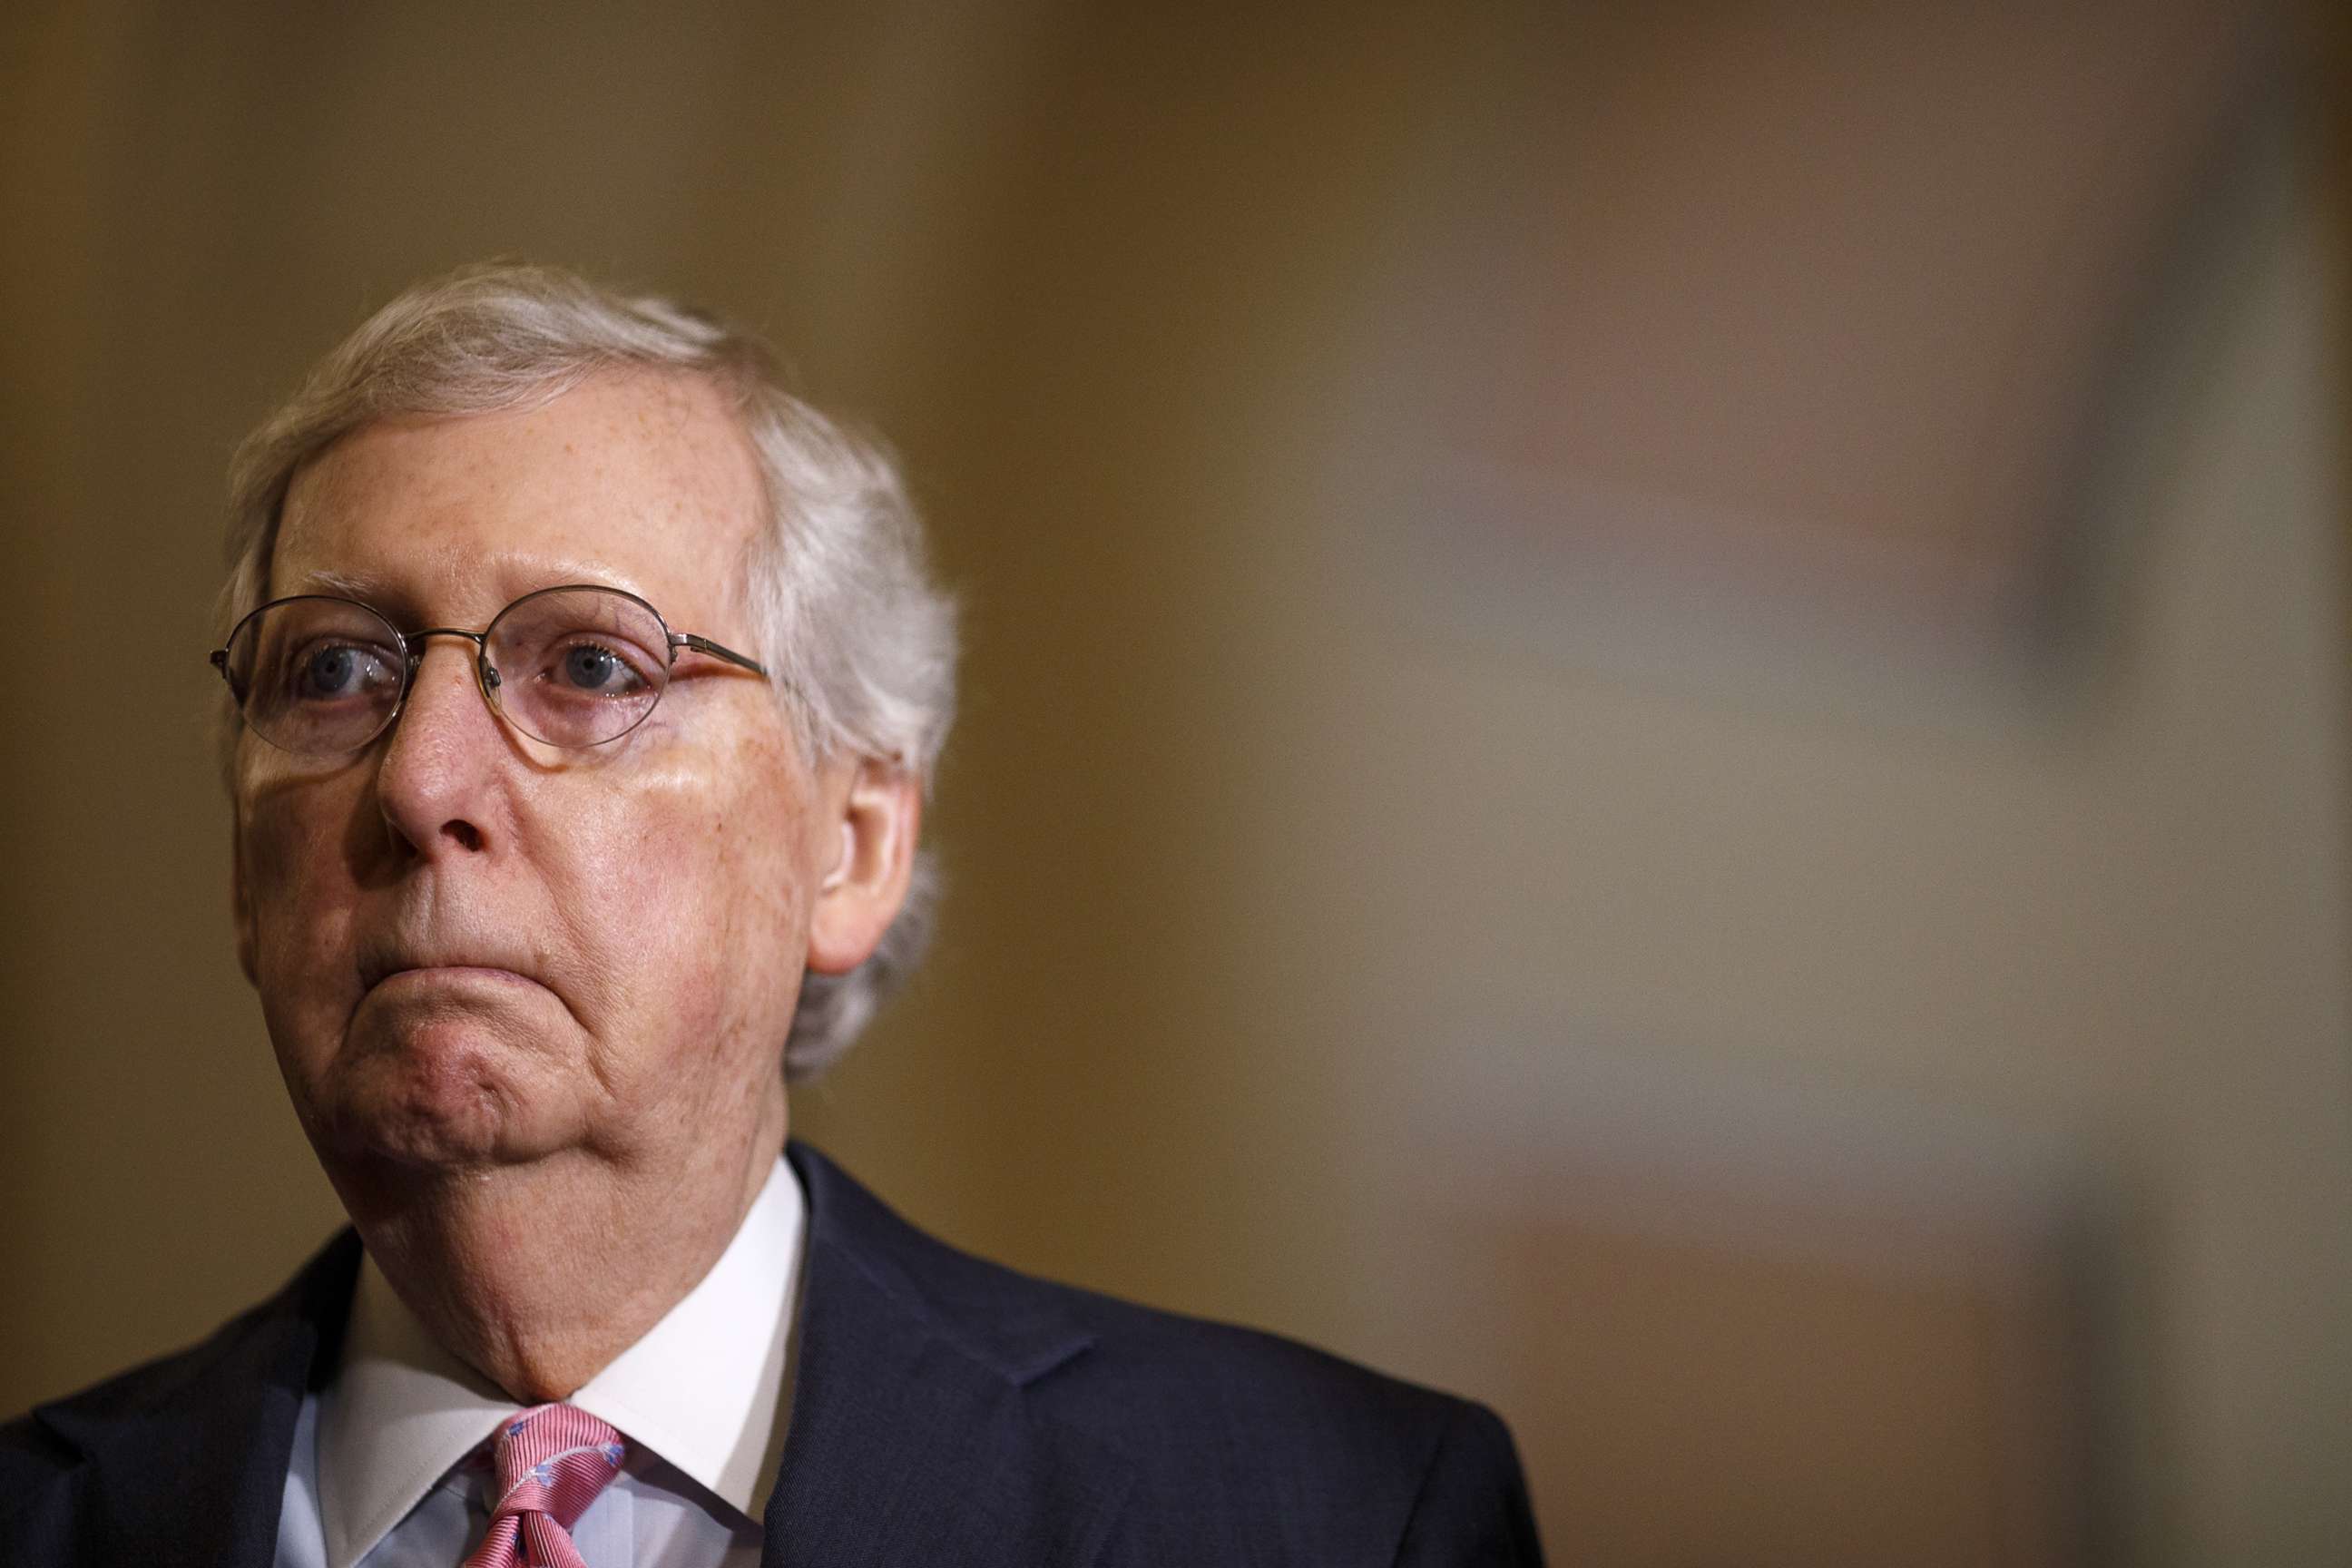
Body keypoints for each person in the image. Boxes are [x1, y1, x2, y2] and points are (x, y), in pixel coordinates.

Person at [0, 263, 1544, 1567]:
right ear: (240, 877)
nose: (418, 785)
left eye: (592, 668)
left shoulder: (1336, 1518)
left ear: (851, 846)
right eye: (334, 669)